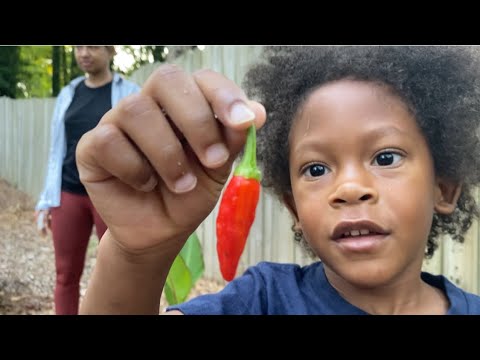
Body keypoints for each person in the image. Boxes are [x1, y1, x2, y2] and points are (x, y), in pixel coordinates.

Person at [77, 46, 480, 315]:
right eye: (316, 169)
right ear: (293, 209)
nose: (350, 188)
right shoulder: (262, 300)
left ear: (443, 189)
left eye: (385, 157)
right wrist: (135, 258)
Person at [35, 45, 140, 315]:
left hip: (111, 196)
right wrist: (47, 200)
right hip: (69, 193)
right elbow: (55, 150)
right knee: (65, 274)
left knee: (119, 274)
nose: (83, 53)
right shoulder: (68, 94)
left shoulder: (129, 94)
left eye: (92, 46)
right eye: (78, 47)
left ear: (111, 51)